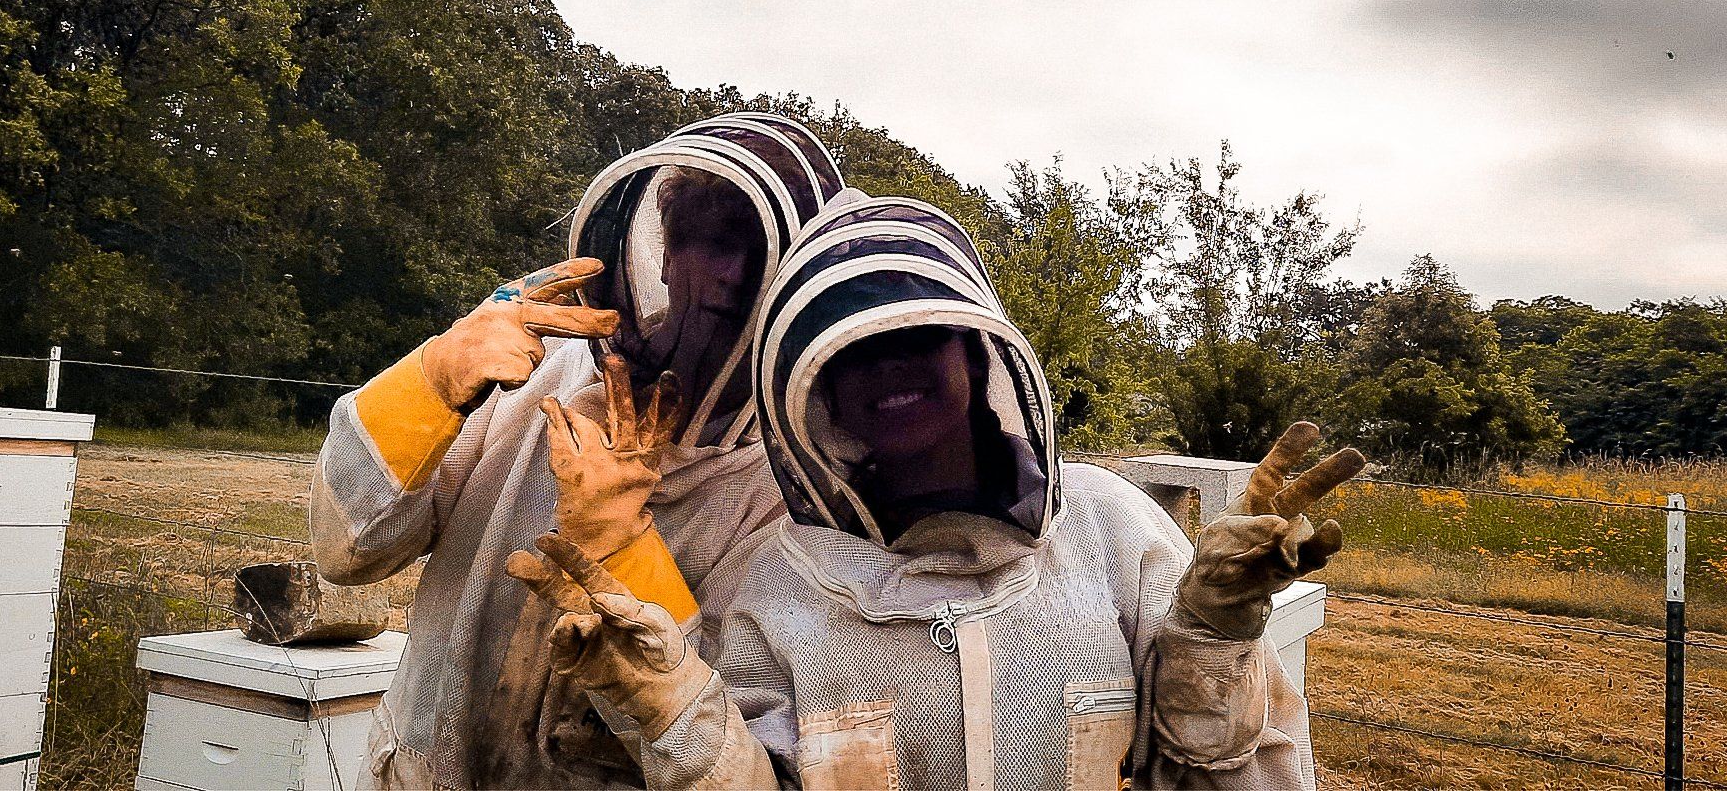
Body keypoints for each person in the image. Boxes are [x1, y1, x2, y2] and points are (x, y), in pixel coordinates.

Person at [512, 195, 1364, 789]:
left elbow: (1218, 774)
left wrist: (1214, 640)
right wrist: (676, 721)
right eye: (852, 351)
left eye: (916, 336)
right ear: (815, 391)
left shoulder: (1114, 533)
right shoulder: (780, 585)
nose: (888, 368)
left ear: (975, 353)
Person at [310, 114, 845, 788]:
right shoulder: (533, 374)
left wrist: (626, 556)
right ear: (666, 254)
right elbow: (347, 547)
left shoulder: (791, 492)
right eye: (711, 241)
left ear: (797, 284)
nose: (733, 275)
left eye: (758, 251)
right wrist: (432, 380)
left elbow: (731, 756)